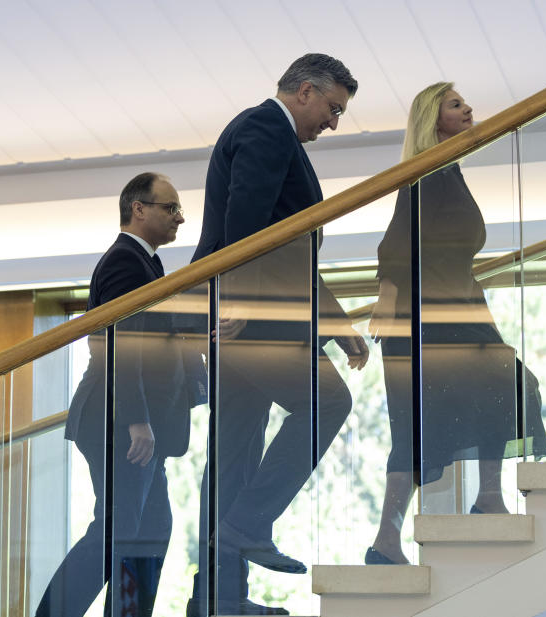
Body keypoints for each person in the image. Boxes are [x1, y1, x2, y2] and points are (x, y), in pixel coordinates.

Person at [187, 53, 369, 616]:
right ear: (306, 90)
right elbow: (246, 218)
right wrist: (236, 296)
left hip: (248, 315)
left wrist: (337, 325)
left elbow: (290, 248)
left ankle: (218, 600)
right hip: (247, 317)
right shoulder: (267, 127)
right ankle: (249, 523)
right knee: (327, 398)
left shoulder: (271, 134)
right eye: (333, 109)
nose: (333, 123)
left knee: (234, 455)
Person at [366, 82, 546, 565]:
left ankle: (487, 497)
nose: (469, 107)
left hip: (460, 308)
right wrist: (386, 298)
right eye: (456, 104)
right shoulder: (424, 172)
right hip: (425, 315)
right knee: (415, 425)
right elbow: (396, 241)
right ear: (433, 120)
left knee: (509, 388)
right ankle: (387, 539)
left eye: (466, 101)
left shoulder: (448, 171)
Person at [35, 172, 195, 616]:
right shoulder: (126, 261)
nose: (180, 217)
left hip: (129, 418)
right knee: (118, 530)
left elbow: (155, 336)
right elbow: (119, 343)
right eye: (171, 207)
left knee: (150, 528)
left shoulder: (145, 263)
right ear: (138, 209)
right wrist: (136, 419)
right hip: (118, 419)